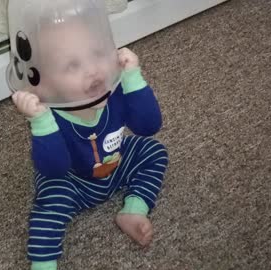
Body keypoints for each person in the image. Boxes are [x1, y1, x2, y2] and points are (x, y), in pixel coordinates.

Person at [10, 7, 169, 270]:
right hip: (72, 181)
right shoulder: (50, 116)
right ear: (44, 85)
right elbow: (54, 167)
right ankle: (44, 264)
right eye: (72, 65)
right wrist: (40, 121)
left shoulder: (112, 91)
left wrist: (132, 78)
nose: (93, 70)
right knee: (48, 208)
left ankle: (134, 208)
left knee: (154, 151)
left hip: (116, 163)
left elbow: (149, 125)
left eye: (96, 54)